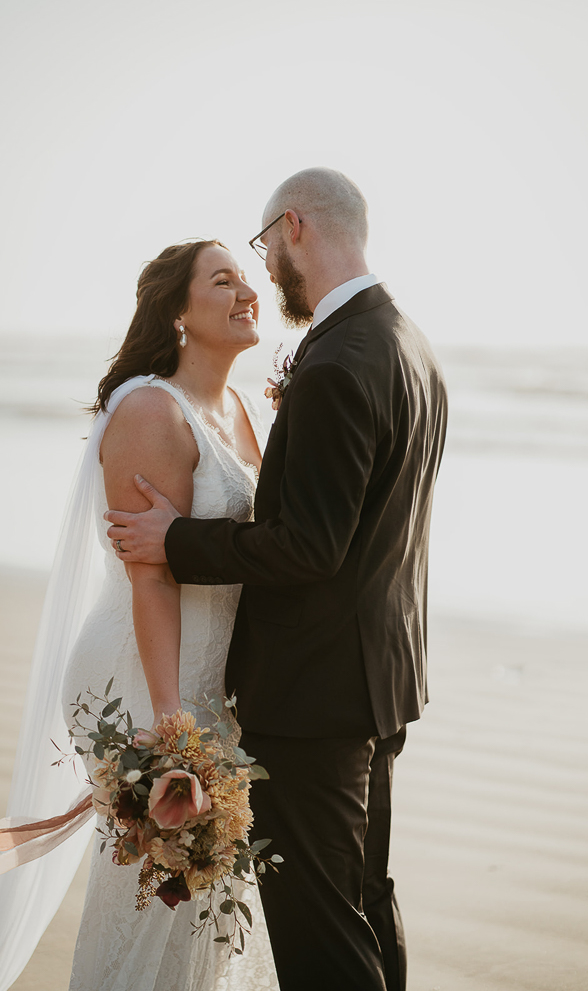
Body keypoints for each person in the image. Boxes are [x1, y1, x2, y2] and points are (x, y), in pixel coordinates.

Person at [106, 167, 449, 991]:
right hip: (377, 683)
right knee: (361, 900)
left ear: (293, 227)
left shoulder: (336, 362)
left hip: (313, 698)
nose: (264, 275)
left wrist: (178, 540)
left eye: (261, 250)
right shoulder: (405, 343)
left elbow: (310, 547)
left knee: (323, 932)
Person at [0, 240, 279, 991]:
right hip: (142, 675)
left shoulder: (239, 407)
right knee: (157, 891)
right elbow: (150, 575)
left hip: (205, 674)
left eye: (249, 279)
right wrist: (170, 726)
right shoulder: (152, 407)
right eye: (224, 280)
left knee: (204, 897)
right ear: (178, 313)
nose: (248, 291)